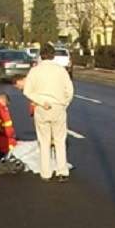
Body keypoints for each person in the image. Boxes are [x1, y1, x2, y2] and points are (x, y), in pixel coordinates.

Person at [24, 44, 74, 182]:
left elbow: (27, 91)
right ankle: (62, 171)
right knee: (59, 140)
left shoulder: (35, 71)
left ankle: (46, 173)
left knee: (44, 140)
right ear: (53, 55)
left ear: (41, 55)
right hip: (58, 107)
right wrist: (64, 103)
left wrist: (39, 100)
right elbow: (69, 91)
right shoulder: (61, 71)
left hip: (41, 107)